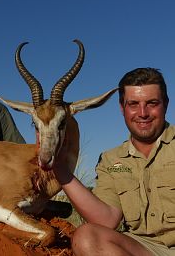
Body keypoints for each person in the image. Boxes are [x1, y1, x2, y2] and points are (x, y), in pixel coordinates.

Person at [54, 67, 175, 256]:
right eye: (133, 104)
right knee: (87, 237)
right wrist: (59, 168)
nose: (142, 113)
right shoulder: (111, 160)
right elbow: (106, 220)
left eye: (152, 103)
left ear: (165, 104)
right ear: (122, 107)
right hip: (143, 248)